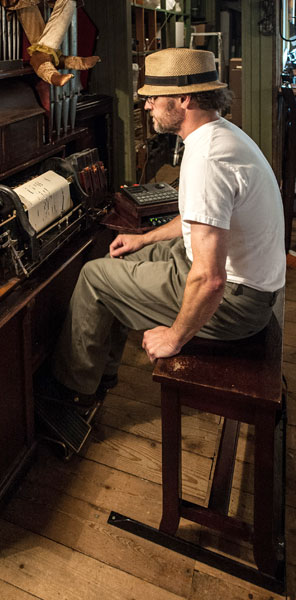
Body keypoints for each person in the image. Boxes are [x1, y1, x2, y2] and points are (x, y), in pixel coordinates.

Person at [41, 47, 286, 409]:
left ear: (183, 99)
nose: (147, 106)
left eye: (154, 98)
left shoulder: (208, 159)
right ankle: (103, 373)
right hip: (244, 286)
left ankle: (72, 392)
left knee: (95, 277)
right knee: (122, 259)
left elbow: (211, 279)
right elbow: (196, 218)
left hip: (236, 304)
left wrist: (174, 338)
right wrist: (144, 238)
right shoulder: (219, 134)